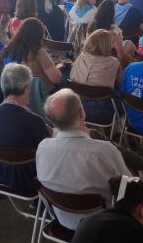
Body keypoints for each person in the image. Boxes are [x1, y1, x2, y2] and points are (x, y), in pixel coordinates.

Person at [36, 88, 132, 229]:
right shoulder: (103, 151)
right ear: (82, 113)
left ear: (51, 121)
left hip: (63, 220)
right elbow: (126, 189)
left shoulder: (42, 147)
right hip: (103, 223)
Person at [0, 63, 49, 193]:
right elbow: (48, 154)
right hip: (28, 182)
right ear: (26, 89)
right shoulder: (34, 120)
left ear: (3, 86)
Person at [0, 17, 62, 93]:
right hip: (40, 95)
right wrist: (59, 67)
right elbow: (56, 79)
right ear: (39, 34)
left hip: (16, 93)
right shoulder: (37, 51)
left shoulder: (9, 48)